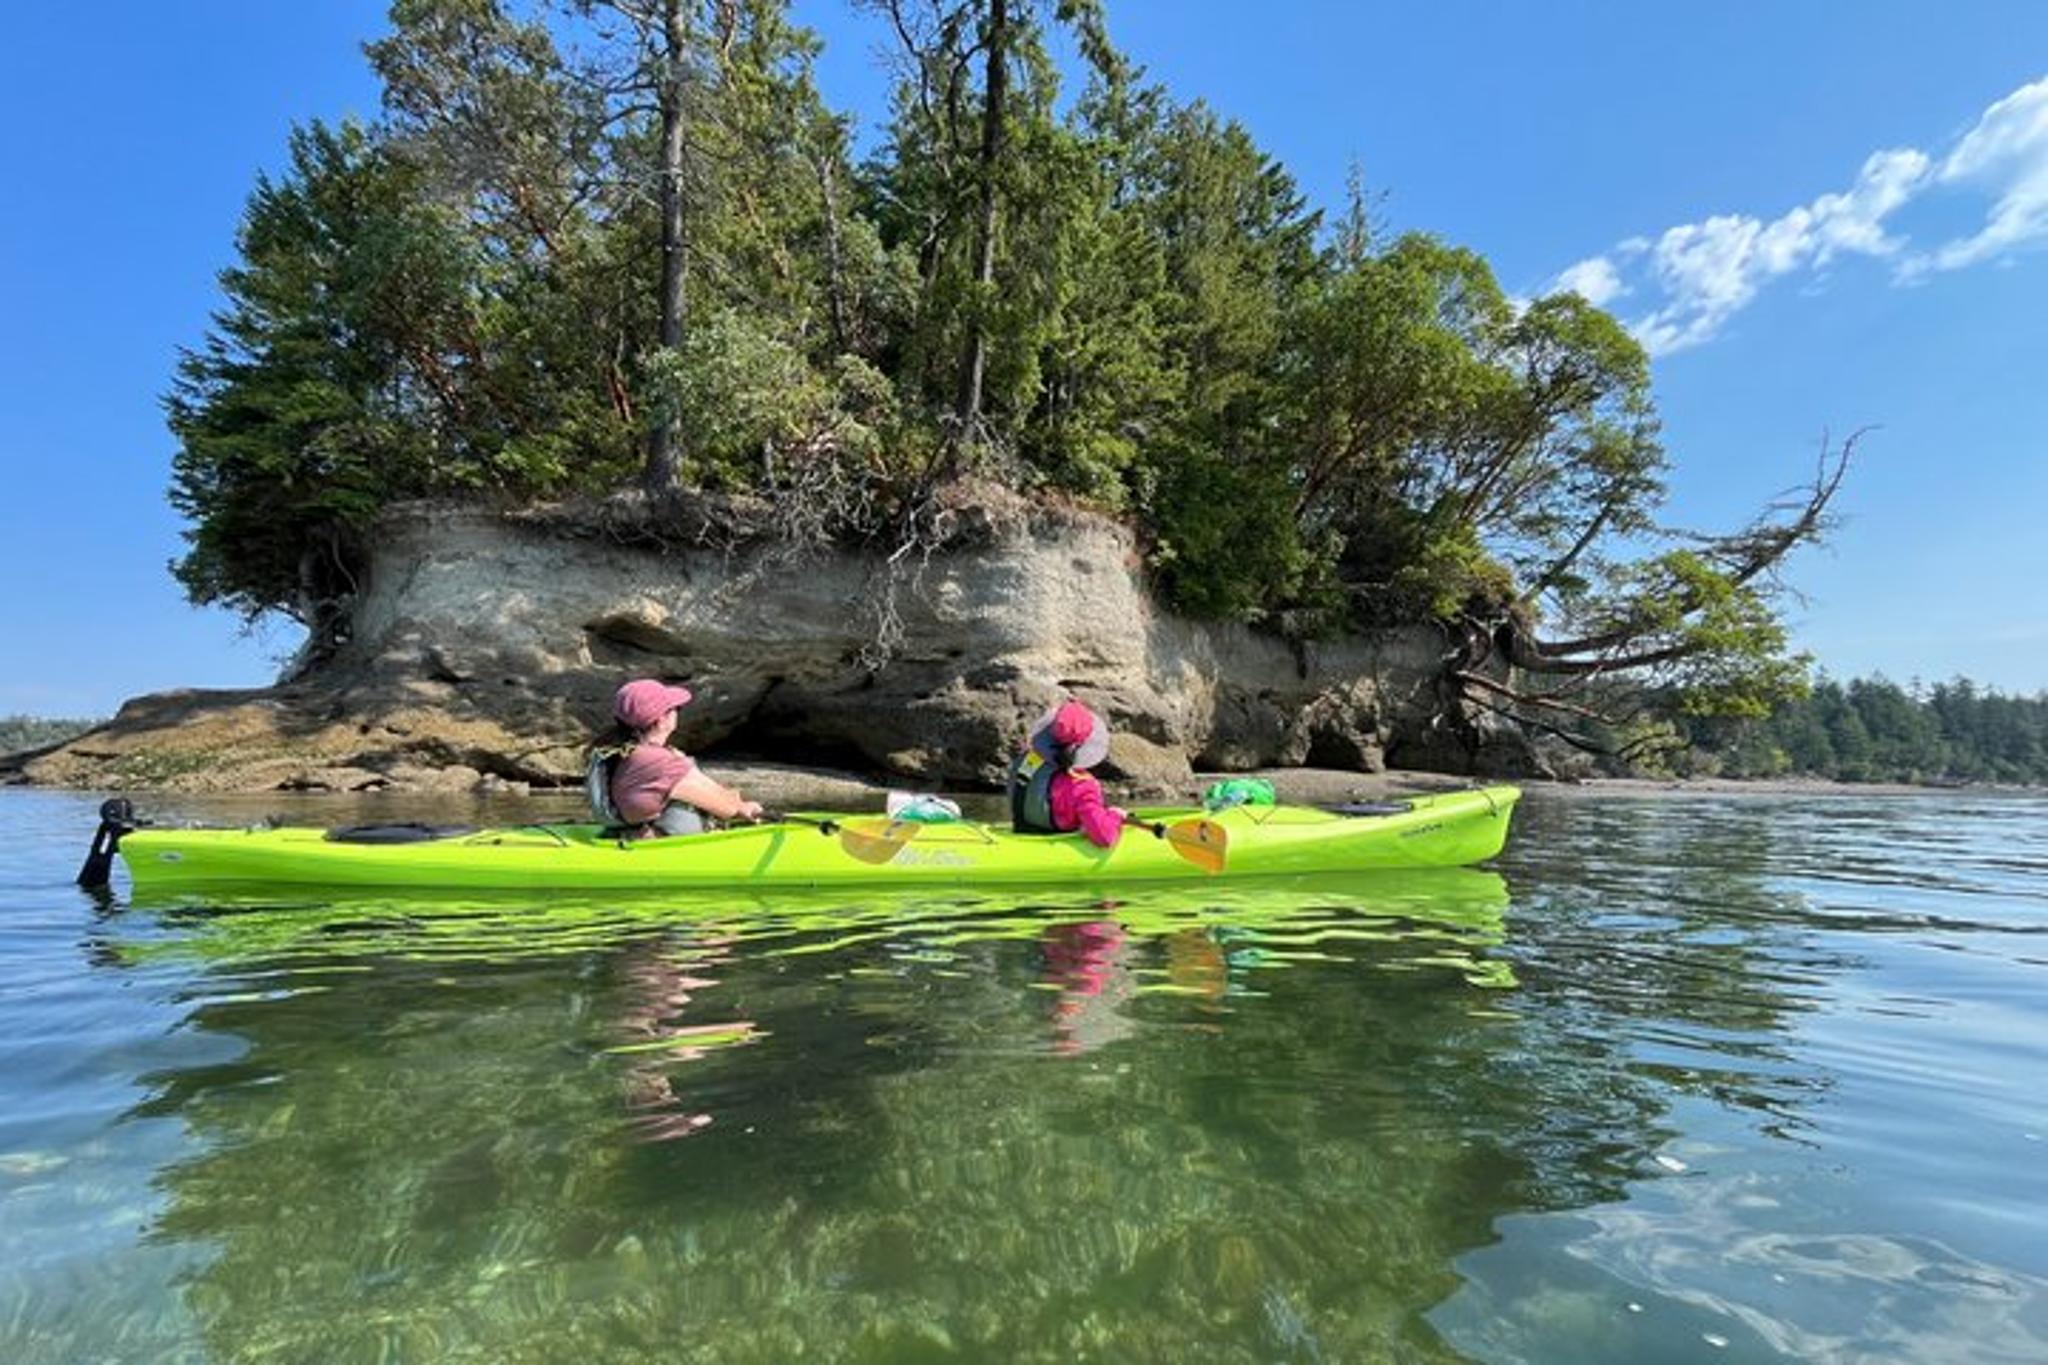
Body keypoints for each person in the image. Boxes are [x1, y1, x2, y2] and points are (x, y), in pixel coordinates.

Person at [590, 679, 764, 837]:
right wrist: (741, 809)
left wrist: (738, 802)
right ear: (661, 720)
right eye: (675, 708)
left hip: (627, 830)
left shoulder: (632, 752)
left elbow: (704, 784)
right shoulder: (658, 763)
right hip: (655, 846)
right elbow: (726, 810)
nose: (677, 712)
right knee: (690, 811)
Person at [1009, 699, 1126, 848]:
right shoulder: (1082, 786)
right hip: (1053, 844)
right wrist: (1116, 816)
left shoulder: (1025, 760)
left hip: (1021, 834)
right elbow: (1105, 838)